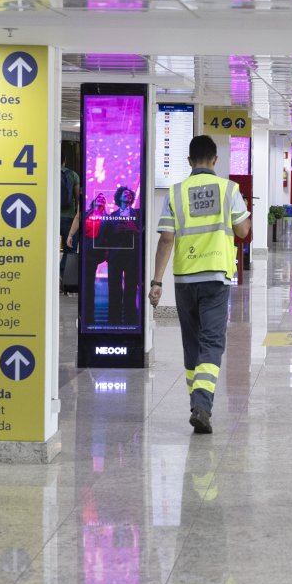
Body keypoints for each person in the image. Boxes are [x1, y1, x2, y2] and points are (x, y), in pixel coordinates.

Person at [150, 135, 252, 434]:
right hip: (215, 276)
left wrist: (157, 281)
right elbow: (243, 230)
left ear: (189, 161)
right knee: (212, 342)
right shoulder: (229, 189)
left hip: (184, 278)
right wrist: (243, 211)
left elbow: (166, 239)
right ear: (215, 159)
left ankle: (197, 403)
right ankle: (202, 405)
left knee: (192, 344)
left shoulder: (176, 192)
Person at [105, 186, 142, 324]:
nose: (127, 195)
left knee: (131, 288)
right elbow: (106, 237)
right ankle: (113, 320)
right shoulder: (112, 216)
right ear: (119, 197)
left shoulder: (138, 214)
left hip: (132, 256)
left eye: (129, 194)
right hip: (115, 256)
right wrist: (115, 231)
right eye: (124, 193)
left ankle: (130, 320)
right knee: (114, 288)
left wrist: (135, 229)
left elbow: (145, 234)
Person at [59, 154, 81, 284]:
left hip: (52, 218)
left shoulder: (49, 174)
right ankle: (64, 278)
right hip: (69, 218)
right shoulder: (73, 175)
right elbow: (78, 198)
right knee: (70, 249)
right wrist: (77, 215)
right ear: (65, 160)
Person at [82, 193, 109, 286]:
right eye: (99, 198)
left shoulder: (107, 218)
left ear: (105, 204)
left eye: (103, 199)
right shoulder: (86, 214)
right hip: (85, 248)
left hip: (96, 252)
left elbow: (109, 236)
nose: (101, 199)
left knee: (89, 279)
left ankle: (88, 294)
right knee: (84, 277)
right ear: (94, 201)